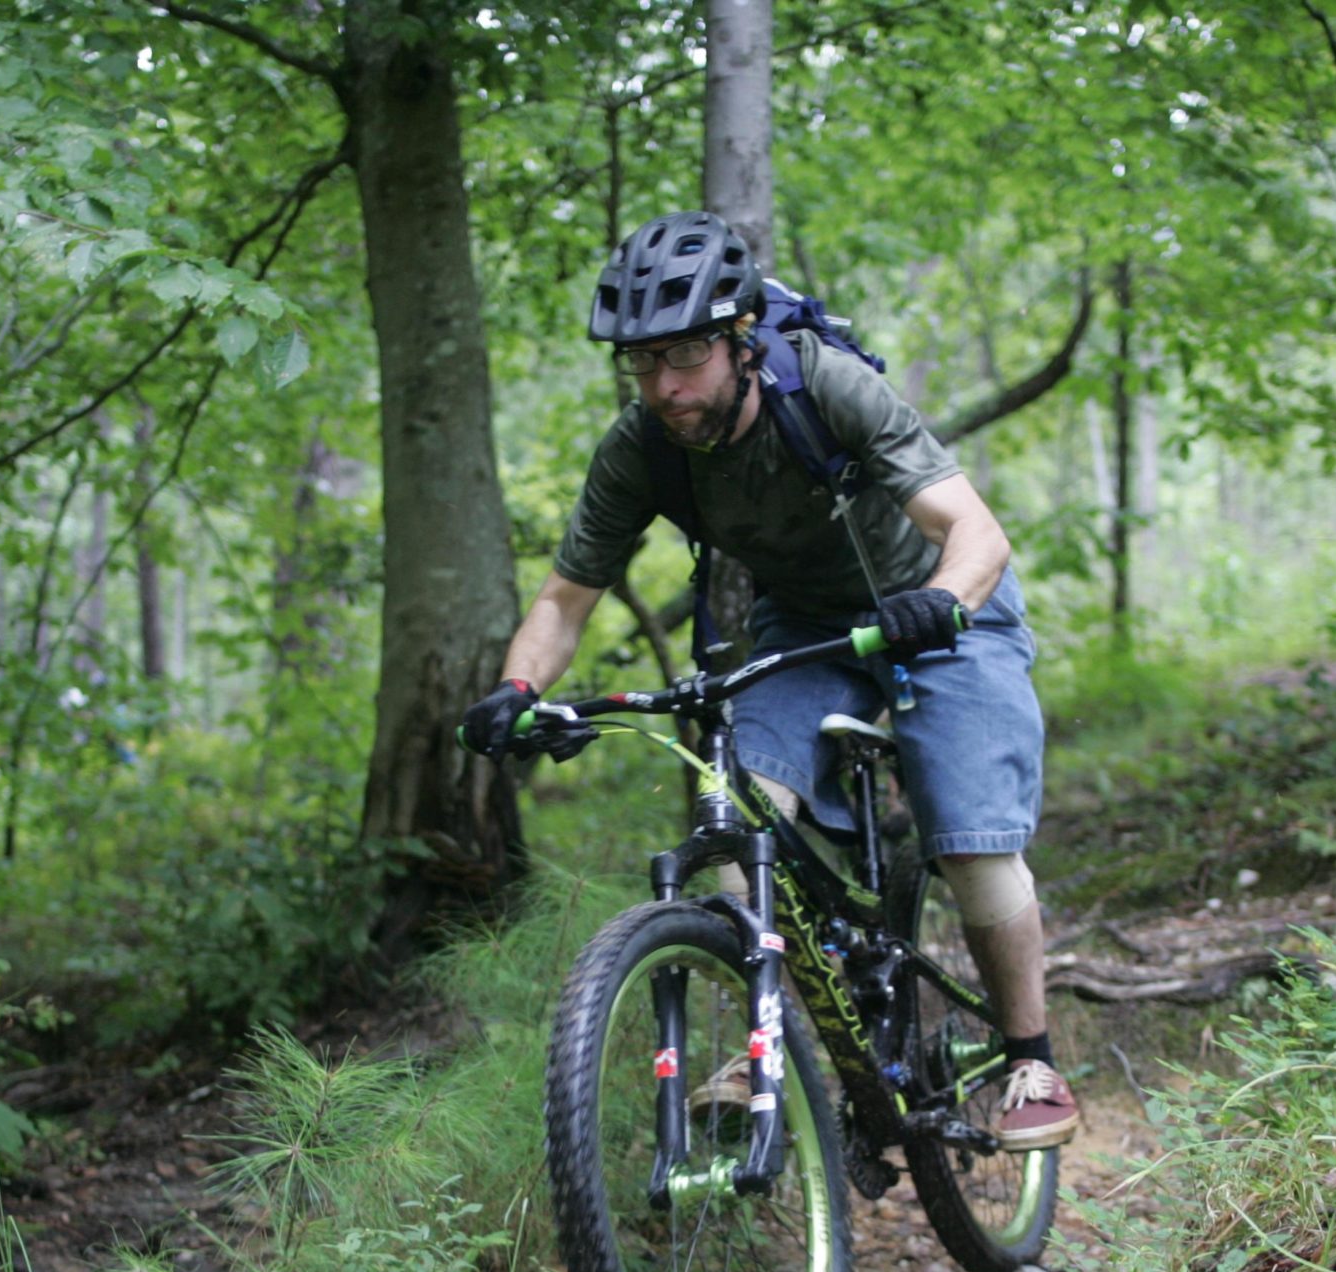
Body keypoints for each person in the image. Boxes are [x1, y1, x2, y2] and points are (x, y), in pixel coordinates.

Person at [459, 211, 1078, 1150]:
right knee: (743, 807)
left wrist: (939, 599)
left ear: (741, 339)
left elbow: (976, 532)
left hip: (945, 606)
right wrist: (516, 689)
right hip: (806, 626)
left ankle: (1031, 1054)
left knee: (971, 833)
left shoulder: (826, 387)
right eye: (643, 362)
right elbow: (563, 601)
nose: (665, 386)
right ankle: (765, 1039)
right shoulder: (643, 449)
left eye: (687, 355)